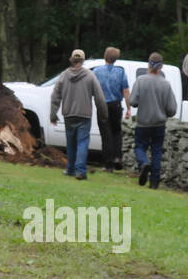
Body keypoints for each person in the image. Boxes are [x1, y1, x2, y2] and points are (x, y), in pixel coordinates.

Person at [50, 48, 108, 180]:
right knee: (82, 142)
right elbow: (99, 97)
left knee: (71, 143)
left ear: (72, 59)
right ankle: (80, 171)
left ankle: (70, 169)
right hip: (84, 115)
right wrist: (104, 114)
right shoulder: (90, 76)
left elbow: (55, 96)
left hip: (69, 114)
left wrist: (53, 114)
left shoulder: (64, 75)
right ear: (83, 60)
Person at [129, 52, 178, 188]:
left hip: (143, 122)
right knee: (156, 151)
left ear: (148, 64)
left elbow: (132, 101)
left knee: (139, 147)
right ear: (161, 66)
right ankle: (154, 182)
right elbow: (172, 109)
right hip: (159, 124)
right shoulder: (166, 84)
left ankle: (144, 163)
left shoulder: (141, 80)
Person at [92, 47, 130, 171]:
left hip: (102, 104)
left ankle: (108, 164)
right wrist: (128, 107)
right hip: (116, 104)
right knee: (117, 132)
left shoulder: (97, 71)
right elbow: (125, 91)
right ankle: (117, 157)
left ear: (105, 56)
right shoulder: (121, 72)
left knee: (106, 134)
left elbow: (92, 89)